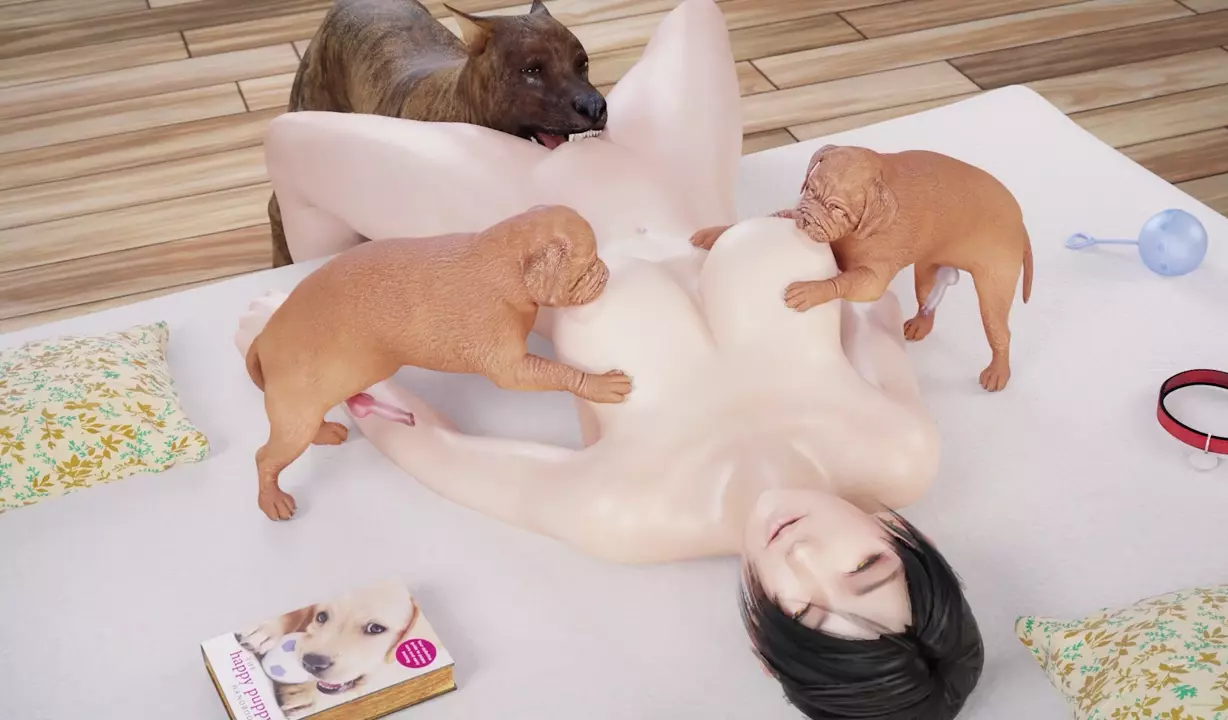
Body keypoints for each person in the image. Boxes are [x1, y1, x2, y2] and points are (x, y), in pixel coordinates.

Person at [238, 1, 984, 715]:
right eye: (862, 569)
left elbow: (439, 451)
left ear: (763, 644)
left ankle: (299, 262)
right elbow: (874, 312)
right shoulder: (900, 450)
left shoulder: (631, 513)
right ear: (906, 541)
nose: (805, 555)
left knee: (291, 145)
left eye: (808, 611)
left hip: (511, 211)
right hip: (681, 177)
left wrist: (299, 337)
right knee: (696, 13)